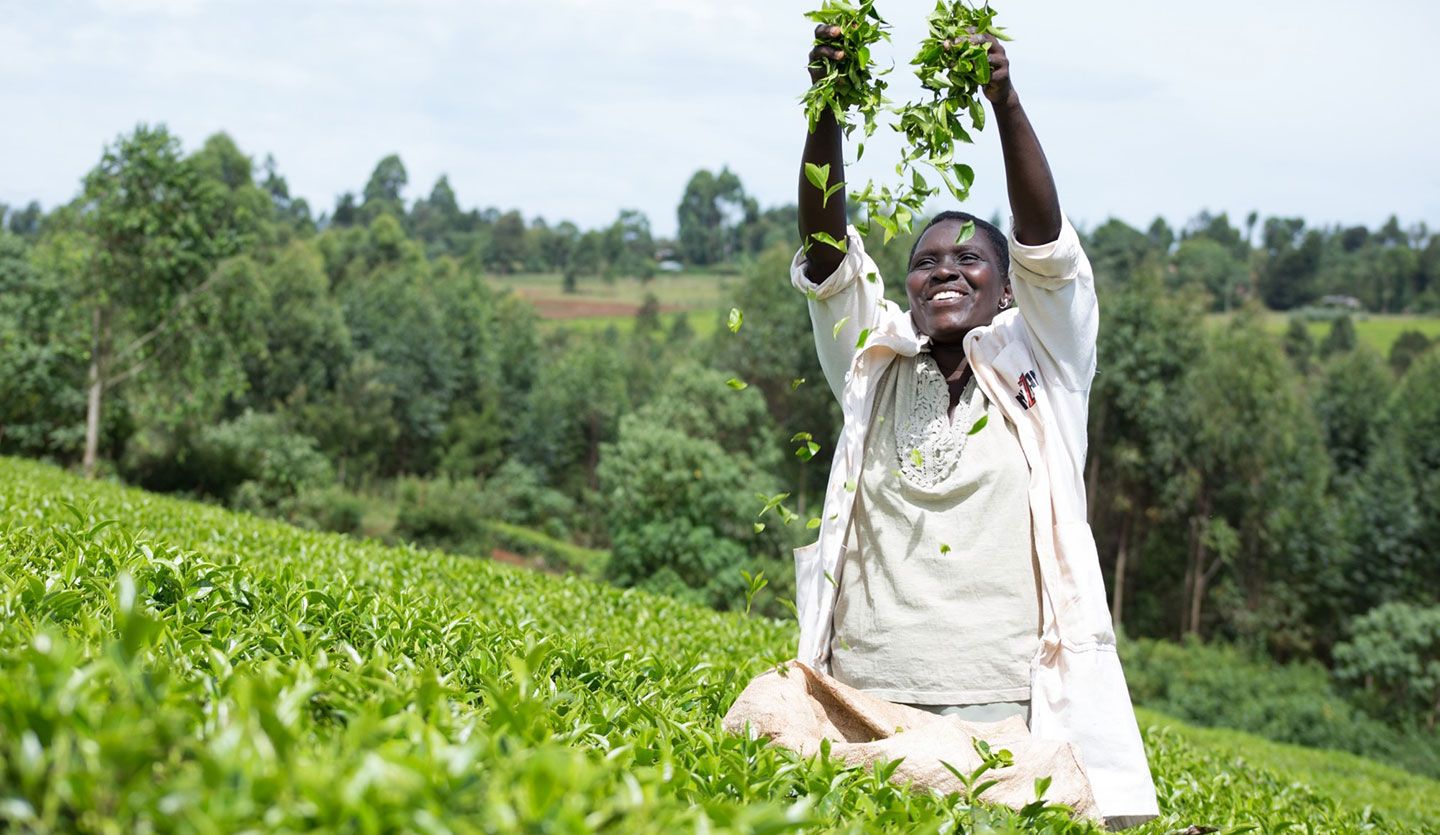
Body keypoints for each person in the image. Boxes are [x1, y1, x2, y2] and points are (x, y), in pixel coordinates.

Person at [791, 24, 1158, 827]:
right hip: (866, 689)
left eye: (970, 260)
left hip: (1000, 705)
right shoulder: (875, 365)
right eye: (926, 260)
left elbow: (1047, 247)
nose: (944, 270)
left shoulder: (1041, 370)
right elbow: (825, 260)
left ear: (1006, 294)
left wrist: (1004, 100)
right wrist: (829, 103)